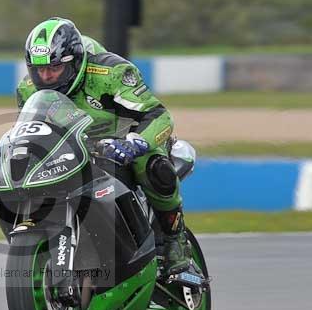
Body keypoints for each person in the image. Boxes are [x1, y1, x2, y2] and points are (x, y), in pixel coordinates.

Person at [16, 17, 191, 274]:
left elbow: (159, 115)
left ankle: (176, 240)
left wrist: (134, 143)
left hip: (126, 142)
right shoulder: (27, 90)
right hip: (77, 148)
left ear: (74, 61)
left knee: (152, 166)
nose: (46, 77)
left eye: (54, 68)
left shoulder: (111, 73)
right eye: (38, 70)